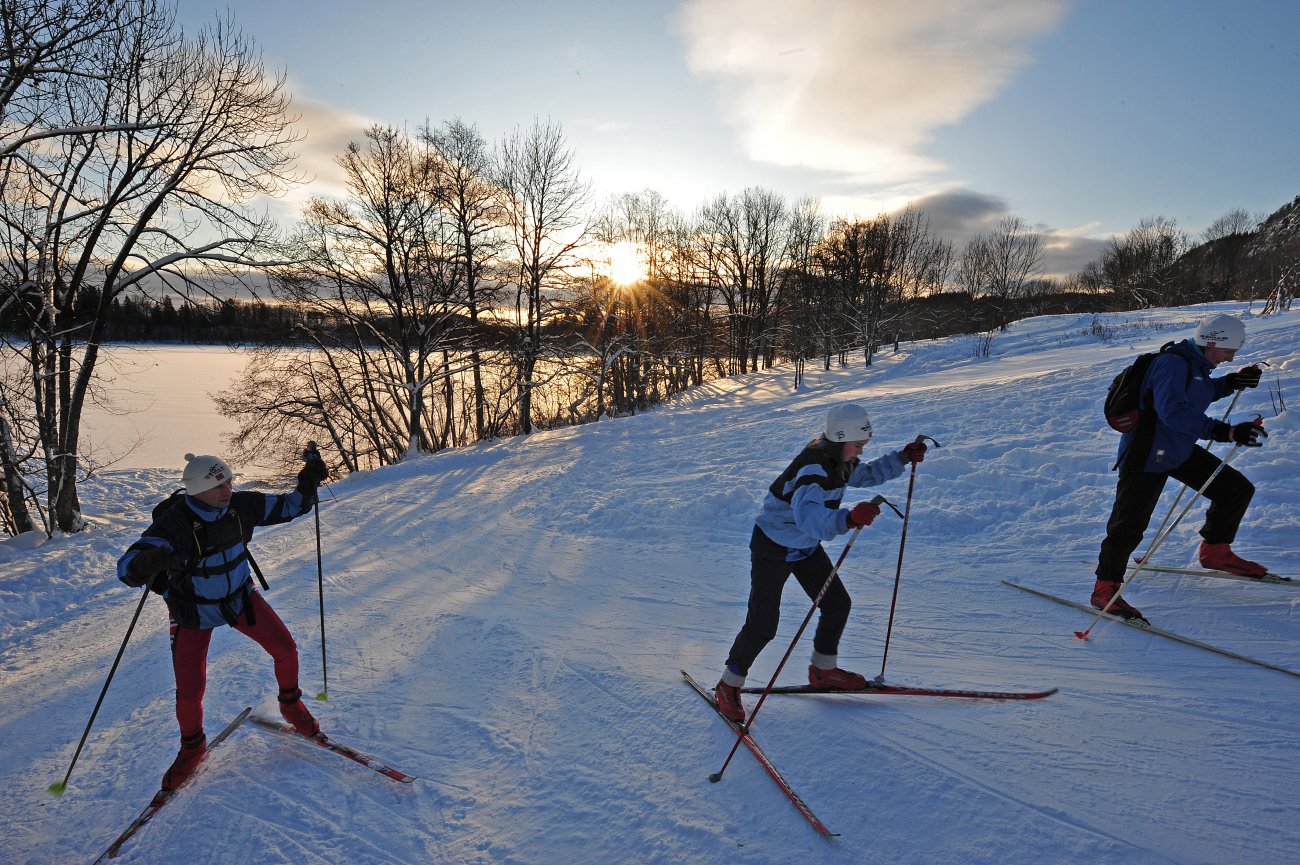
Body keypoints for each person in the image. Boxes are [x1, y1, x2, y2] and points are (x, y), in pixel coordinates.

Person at [117, 448, 330, 790]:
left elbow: (293, 506)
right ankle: (192, 748)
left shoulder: (240, 506)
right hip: (193, 611)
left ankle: (291, 707)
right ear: (196, 491)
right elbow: (126, 568)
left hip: (239, 598)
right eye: (218, 487)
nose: (227, 491)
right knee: (190, 690)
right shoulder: (175, 524)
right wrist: (146, 563)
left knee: (287, 649)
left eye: (229, 483)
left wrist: (308, 481)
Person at [713, 403, 928, 722]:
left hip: (803, 545)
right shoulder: (814, 468)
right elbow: (809, 517)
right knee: (762, 624)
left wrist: (900, 458)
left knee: (837, 603)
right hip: (774, 544)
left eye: (863, 446)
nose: (861, 451)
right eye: (858, 445)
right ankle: (728, 686)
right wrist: (848, 518)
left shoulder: (838, 457)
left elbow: (865, 474)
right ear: (841, 439)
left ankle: (823, 670)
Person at [1093, 313, 1267, 622]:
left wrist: (1231, 382)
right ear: (1212, 342)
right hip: (1146, 454)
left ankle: (1214, 552)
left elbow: (1201, 391)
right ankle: (1105, 589)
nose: (1230, 357)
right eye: (1229, 351)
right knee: (1128, 526)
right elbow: (1173, 412)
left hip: (1176, 450)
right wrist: (1224, 431)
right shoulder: (1172, 364)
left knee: (1236, 490)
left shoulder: (1196, 365)